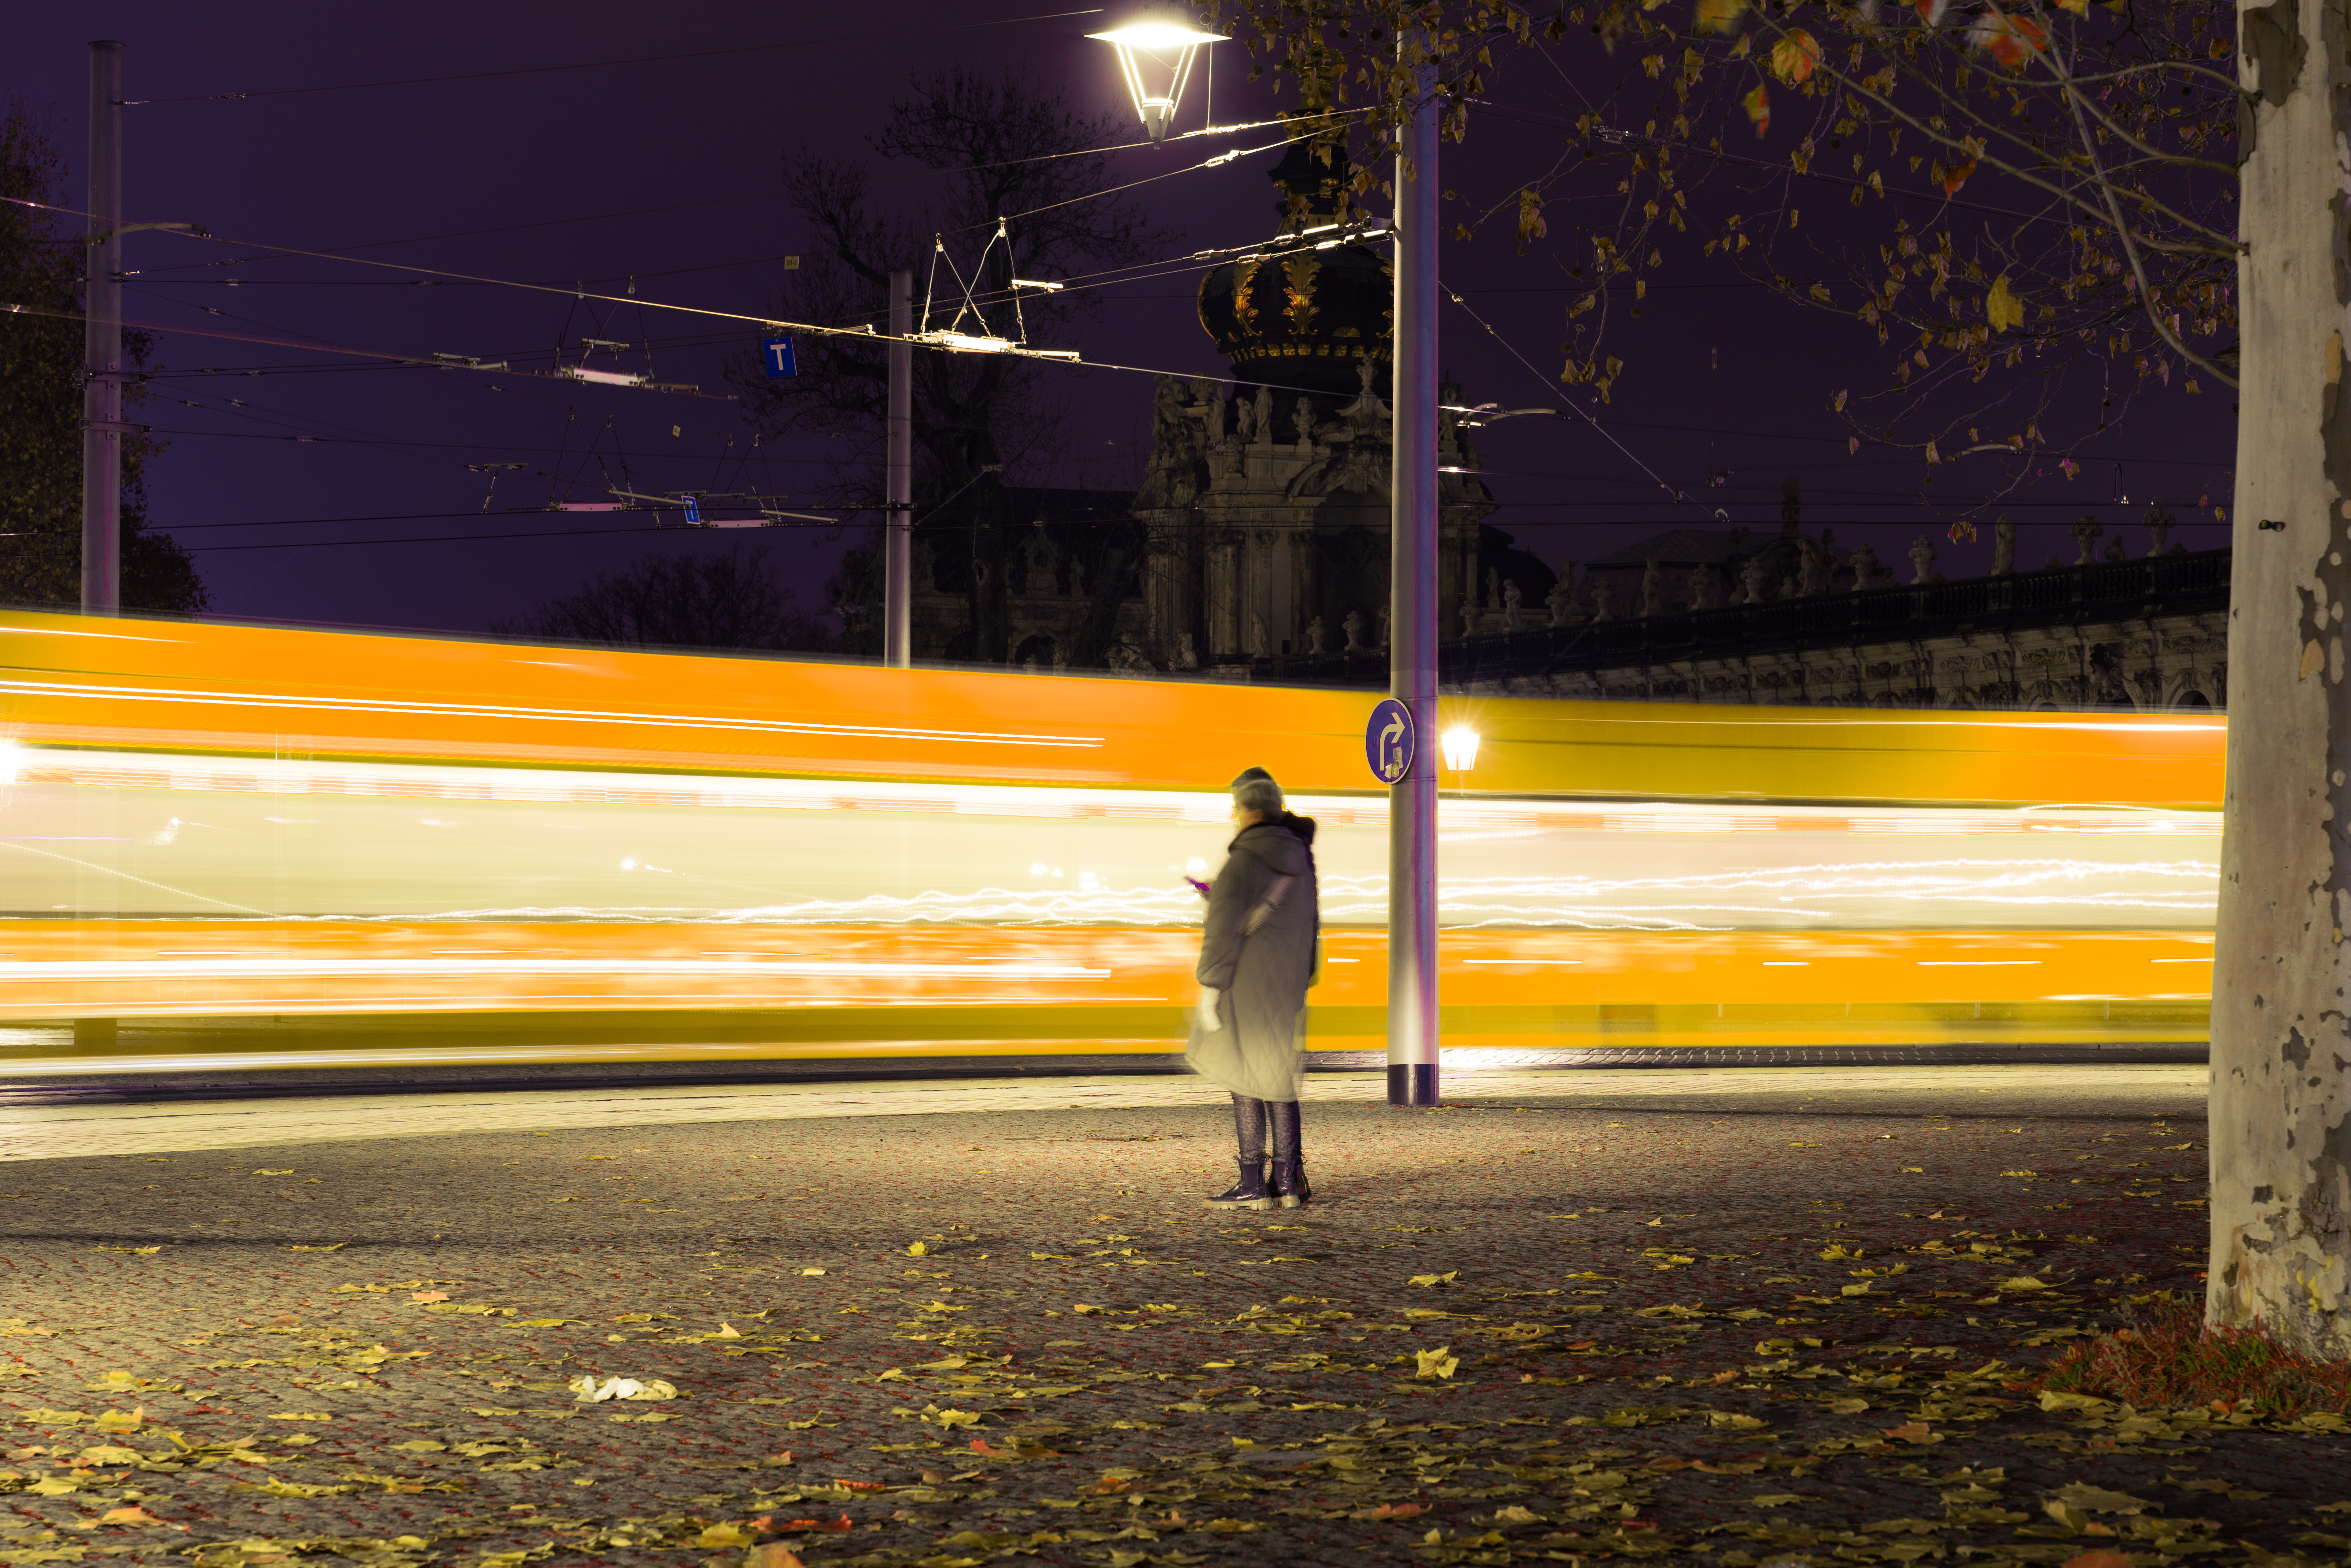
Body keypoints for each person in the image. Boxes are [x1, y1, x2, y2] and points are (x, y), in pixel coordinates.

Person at [1188, 766, 1320, 1210]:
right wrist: (1303, 976)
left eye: (1236, 807)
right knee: (1279, 1078)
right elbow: (1310, 923)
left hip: (1245, 982)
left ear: (1251, 811)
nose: (1234, 815)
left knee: (1244, 1078)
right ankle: (1287, 1182)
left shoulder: (1244, 857)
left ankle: (1252, 1184)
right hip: (1285, 984)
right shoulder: (1300, 856)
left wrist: (1211, 986)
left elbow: (1224, 928)